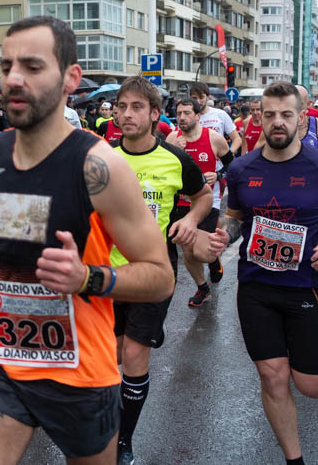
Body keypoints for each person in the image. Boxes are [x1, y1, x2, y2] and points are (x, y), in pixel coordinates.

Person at [0, 16, 174, 464]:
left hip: (79, 374)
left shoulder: (99, 167)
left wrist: (87, 278)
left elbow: (161, 277)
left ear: (70, 78)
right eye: (7, 66)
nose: (14, 78)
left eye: (32, 66)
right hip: (1, 359)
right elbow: (14, 237)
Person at [208, 81, 318, 465]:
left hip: (305, 286)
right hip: (256, 286)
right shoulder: (242, 169)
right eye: (269, 115)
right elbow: (234, 218)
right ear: (259, 118)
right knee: (272, 377)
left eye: (286, 114)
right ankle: (294, 459)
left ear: (302, 117)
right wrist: (222, 236)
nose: (277, 121)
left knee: (313, 386)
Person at [110, 76, 213, 464]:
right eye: (122, 107)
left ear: (155, 114)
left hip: (154, 275)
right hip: (107, 274)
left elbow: (202, 195)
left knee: (134, 355)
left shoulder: (175, 158)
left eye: (136, 107)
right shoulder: (103, 158)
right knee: (112, 357)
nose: (127, 114)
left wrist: (191, 220)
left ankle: (123, 441)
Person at [166, 98, 232, 307]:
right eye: (179, 113)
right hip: (180, 203)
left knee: (201, 252)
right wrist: (172, 150)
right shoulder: (172, 138)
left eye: (187, 113)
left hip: (207, 202)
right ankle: (202, 287)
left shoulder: (214, 139)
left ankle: (213, 259)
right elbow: (162, 169)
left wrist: (218, 174)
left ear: (198, 116)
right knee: (187, 248)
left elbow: (233, 166)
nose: (182, 117)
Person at [255, 85, 318, 155]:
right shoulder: (276, 128)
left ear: (308, 104)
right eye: (290, 104)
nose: (294, 108)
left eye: (299, 104)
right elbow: (256, 154)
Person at [188, 82, 242, 153]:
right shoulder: (186, 117)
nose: (198, 101)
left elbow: (237, 139)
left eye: (201, 98)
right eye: (194, 98)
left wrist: (229, 155)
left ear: (208, 97)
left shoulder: (220, 114)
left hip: (218, 159)